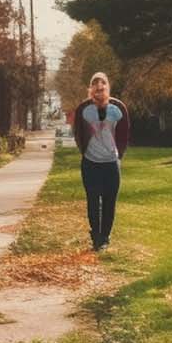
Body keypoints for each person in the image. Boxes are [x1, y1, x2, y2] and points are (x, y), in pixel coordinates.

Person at [72, 72, 129, 251]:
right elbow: (78, 133)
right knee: (93, 200)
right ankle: (96, 235)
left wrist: (118, 155)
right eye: (95, 84)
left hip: (111, 163)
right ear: (91, 88)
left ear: (107, 86)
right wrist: (86, 152)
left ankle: (105, 237)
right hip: (90, 163)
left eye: (102, 83)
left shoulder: (118, 107)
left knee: (110, 201)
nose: (99, 87)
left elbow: (124, 133)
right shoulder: (83, 109)